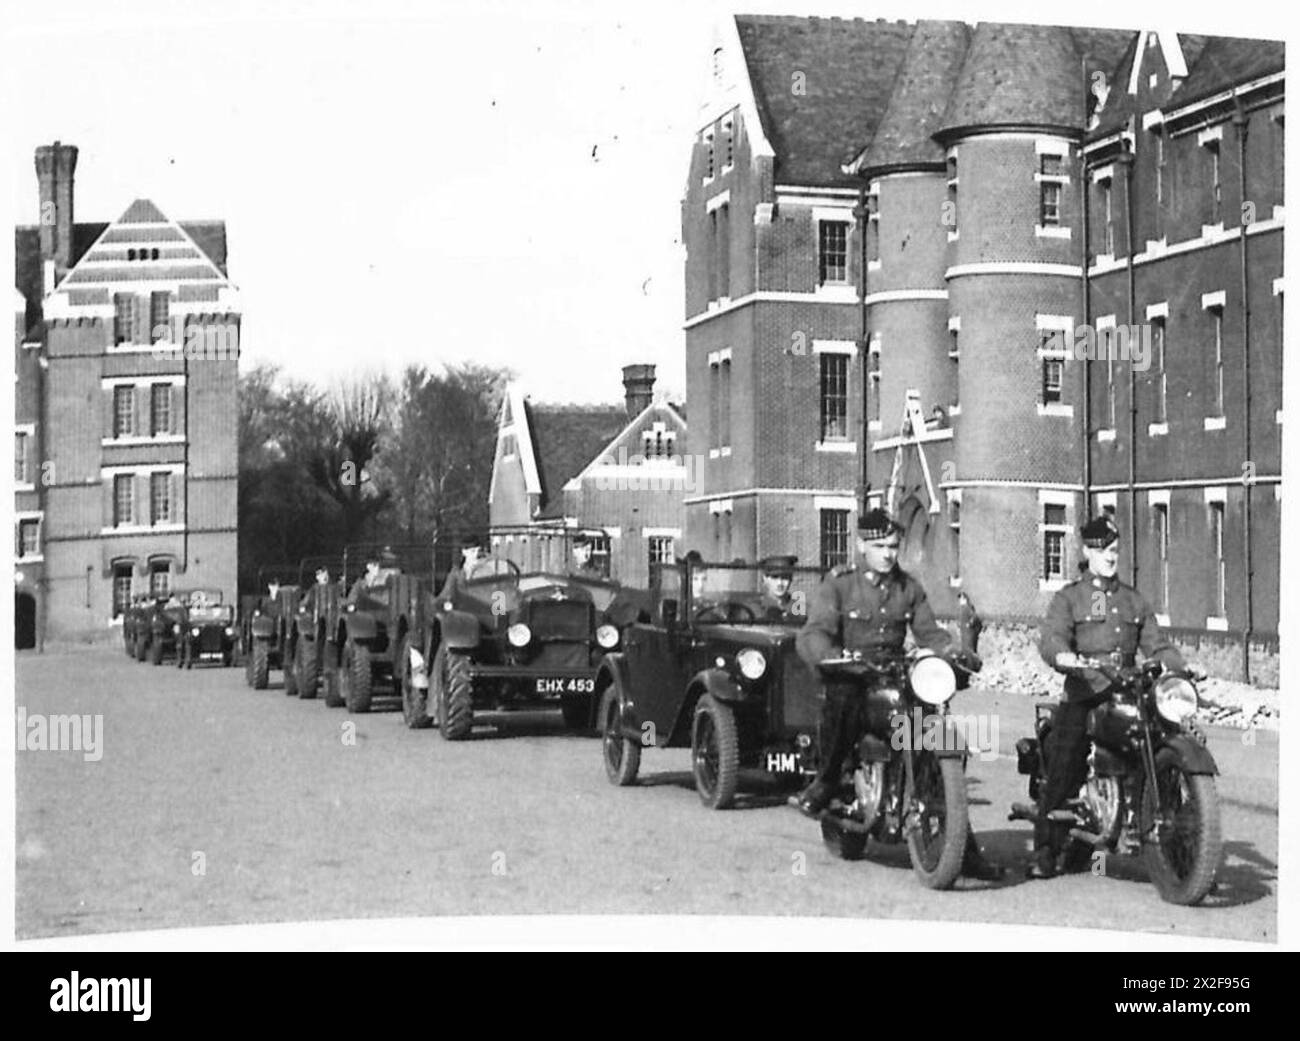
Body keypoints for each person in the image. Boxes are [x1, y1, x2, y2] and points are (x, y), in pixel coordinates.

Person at [792, 507, 1002, 880]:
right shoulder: (839, 585)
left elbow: (930, 635)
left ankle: (959, 843)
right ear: (860, 546)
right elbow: (814, 633)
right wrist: (831, 655)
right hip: (855, 675)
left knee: (936, 726)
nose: (888, 553)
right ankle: (827, 782)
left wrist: (954, 652)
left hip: (896, 675)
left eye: (893, 546)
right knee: (842, 699)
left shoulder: (909, 587)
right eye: (880, 546)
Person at [1031, 514, 1197, 879]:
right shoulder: (1070, 597)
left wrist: (1178, 668)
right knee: (1067, 756)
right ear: (1087, 551)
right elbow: (1052, 638)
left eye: (1114, 549)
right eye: (1101, 549)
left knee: (1168, 732)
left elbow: (1157, 645)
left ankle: (1169, 820)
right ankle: (1045, 848)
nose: (1109, 556)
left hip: (1128, 686)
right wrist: (1063, 657)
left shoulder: (1133, 600)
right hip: (1086, 689)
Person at [437, 533, 487, 606]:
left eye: (476, 551)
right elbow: (446, 592)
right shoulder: (456, 572)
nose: (474, 554)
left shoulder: (486, 567)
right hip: (463, 607)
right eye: (471, 551)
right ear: (463, 552)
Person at [759, 555, 800, 621]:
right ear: (765, 578)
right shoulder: (757, 607)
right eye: (774, 577)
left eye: (785, 577)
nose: (780, 583)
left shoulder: (800, 608)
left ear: (791, 578)